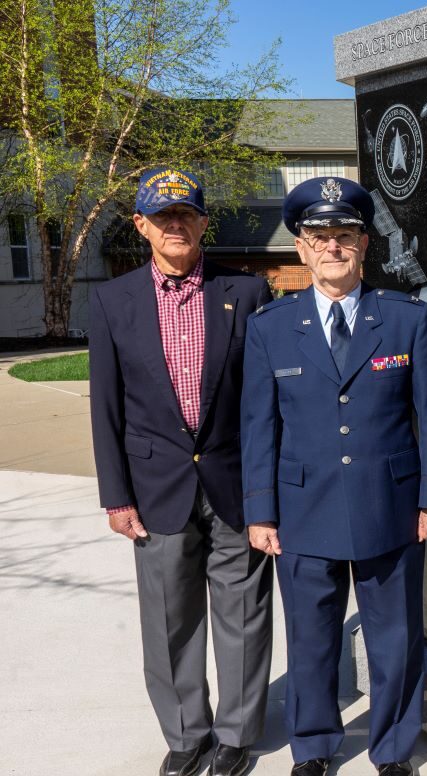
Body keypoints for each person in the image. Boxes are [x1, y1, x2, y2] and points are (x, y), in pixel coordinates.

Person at [240, 176, 427, 776]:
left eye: (345, 236)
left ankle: (391, 748)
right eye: (319, 236)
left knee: (395, 638)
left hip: (390, 504)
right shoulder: (270, 327)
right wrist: (259, 510)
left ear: (365, 245)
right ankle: (312, 747)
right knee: (311, 641)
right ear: (301, 249)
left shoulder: (405, 319)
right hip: (302, 509)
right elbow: (259, 425)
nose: (333, 247)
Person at [89, 167, 274, 776]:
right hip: (156, 488)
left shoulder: (245, 293)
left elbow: (263, 400)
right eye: (163, 217)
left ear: (202, 223)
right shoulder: (113, 302)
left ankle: (237, 735)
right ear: (142, 226)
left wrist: (266, 492)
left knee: (241, 615)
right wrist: (116, 497)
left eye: (187, 215)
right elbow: (106, 408)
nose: (176, 225)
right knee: (170, 617)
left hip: (234, 483)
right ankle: (186, 735)